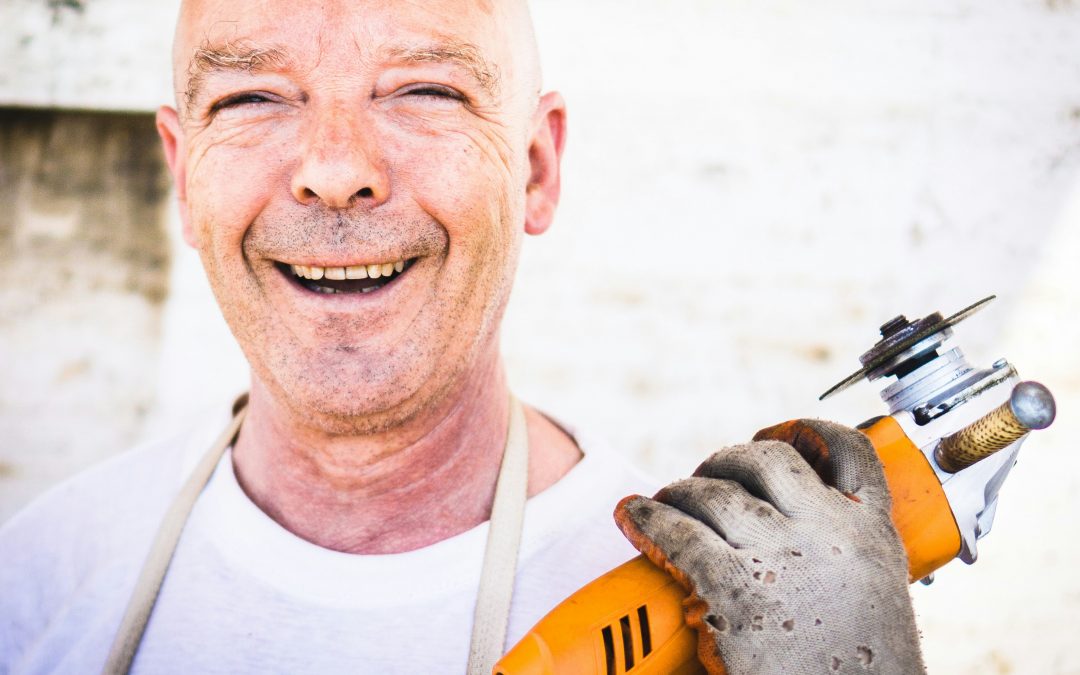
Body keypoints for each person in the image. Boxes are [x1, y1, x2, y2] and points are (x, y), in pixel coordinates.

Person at [0, 0, 923, 673]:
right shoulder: (39, 582)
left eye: (424, 89)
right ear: (183, 174)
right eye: (250, 98)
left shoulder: (711, 617)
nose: (334, 169)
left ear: (536, 167)